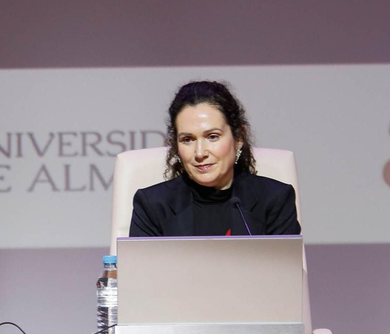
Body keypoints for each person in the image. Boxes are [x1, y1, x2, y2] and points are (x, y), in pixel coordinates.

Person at [129, 80, 301, 237]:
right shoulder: (152, 205)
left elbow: (283, 263)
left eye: (212, 136)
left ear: (239, 137)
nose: (200, 153)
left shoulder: (274, 199)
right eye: (187, 140)